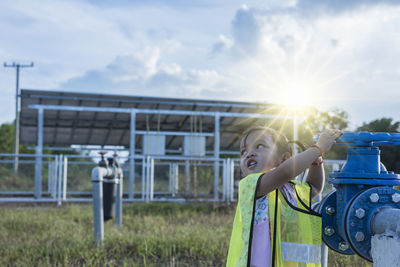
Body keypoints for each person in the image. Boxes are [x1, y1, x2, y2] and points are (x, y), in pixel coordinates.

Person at [226, 126, 343, 267]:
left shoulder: (290, 189)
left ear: (285, 158)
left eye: (259, 146)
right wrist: (317, 149)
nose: (249, 154)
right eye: (243, 151)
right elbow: (286, 172)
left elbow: (314, 187)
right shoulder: (251, 185)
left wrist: (316, 159)